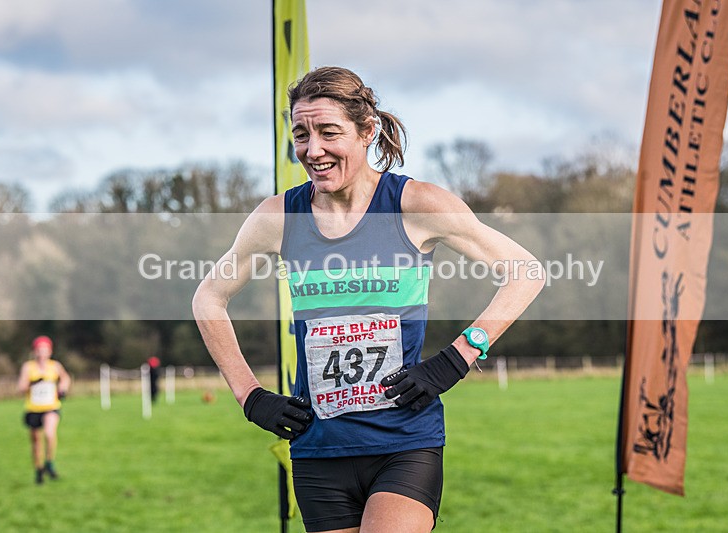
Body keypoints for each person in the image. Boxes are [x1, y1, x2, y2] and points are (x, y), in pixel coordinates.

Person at [193, 66, 544, 533]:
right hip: (318, 445)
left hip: (404, 439)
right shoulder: (278, 217)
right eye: (301, 134)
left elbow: (526, 273)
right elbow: (208, 299)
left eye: (328, 132)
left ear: (366, 132)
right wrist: (249, 395)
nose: (312, 150)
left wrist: (457, 357)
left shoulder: (415, 205)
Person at [17, 335, 71, 485]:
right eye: (39, 350)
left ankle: (50, 462)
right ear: (35, 351)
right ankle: (39, 469)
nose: (42, 353)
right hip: (33, 409)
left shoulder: (55, 366)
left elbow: (66, 379)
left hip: (51, 407)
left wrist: (62, 389)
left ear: (50, 351)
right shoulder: (28, 367)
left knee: (49, 433)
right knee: (36, 442)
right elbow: (20, 388)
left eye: (45, 350)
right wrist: (33, 383)